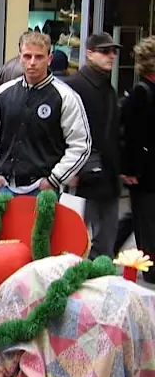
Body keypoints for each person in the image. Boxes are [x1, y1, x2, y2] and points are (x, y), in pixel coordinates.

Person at [0, 31, 91, 196]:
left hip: (43, 190)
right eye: (27, 56)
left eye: (39, 57)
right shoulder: (4, 93)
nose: (32, 62)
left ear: (49, 59)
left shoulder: (66, 97)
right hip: (4, 187)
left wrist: (55, 179)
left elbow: (81, 145)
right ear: (20, 57)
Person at [63, 33, 122, 258]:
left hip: (106, 174)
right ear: (89, 53)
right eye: (105, 51)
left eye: (113, 52)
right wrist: (70, 169)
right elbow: (63, 132)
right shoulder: (74, 87)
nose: (111, 56)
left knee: (105, 241)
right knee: (72, 241)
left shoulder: (108, 88)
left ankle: (96, 282)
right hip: (82, 174)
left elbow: (113, 132)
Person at [120, 36, 155, 282]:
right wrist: (130, 169)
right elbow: (132, 136)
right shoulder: (141, 93)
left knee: (142, 218)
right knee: (146, 221)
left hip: (149, 170)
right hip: (145, 173)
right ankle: (150, 270)